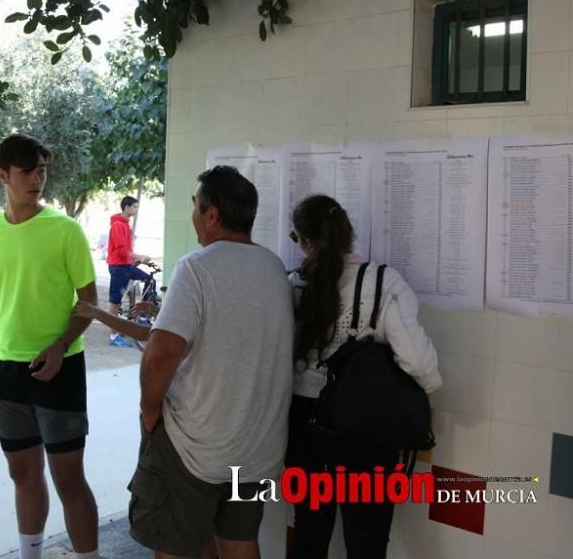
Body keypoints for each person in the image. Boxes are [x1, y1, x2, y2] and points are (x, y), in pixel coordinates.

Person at [129, 165, 294, 559]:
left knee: (175, 544)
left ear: (212, 215)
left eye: (195, 206)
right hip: (257, 449)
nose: (193, 215)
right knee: (239, 544)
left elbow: (162, 351)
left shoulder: (196, 267)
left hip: (196, 446)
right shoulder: (274, 269)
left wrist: (150, 410)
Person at [285, 194, 442, 559]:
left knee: (308, 535)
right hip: (366, 431)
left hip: (305, 430)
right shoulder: (383, 282)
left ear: (305, 241)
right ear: (347, 233)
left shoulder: (292, 285)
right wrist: (427, 395)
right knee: (367, 543)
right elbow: (419, 365)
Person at [0, 134, 100, 559]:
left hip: (60, 370)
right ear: (2, 175)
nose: (37, 179)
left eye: (42, 170)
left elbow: (89, 302)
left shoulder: (66, 231)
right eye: (27, 171)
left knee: (69, 479)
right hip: (6, 374)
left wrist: (61, 344)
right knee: (23, 474)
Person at [106, 196, 154, 347]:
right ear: (126, 207)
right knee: (115, 302)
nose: (136, 209)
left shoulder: (126, 224)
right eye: (134, 207)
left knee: (150, 280)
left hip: (126, 266)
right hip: (118, 268)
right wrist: (138, 256)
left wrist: (136, 259)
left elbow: (126, 251)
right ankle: (113, 337)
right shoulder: (118, 225)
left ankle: (142, 315)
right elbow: (121, 251)